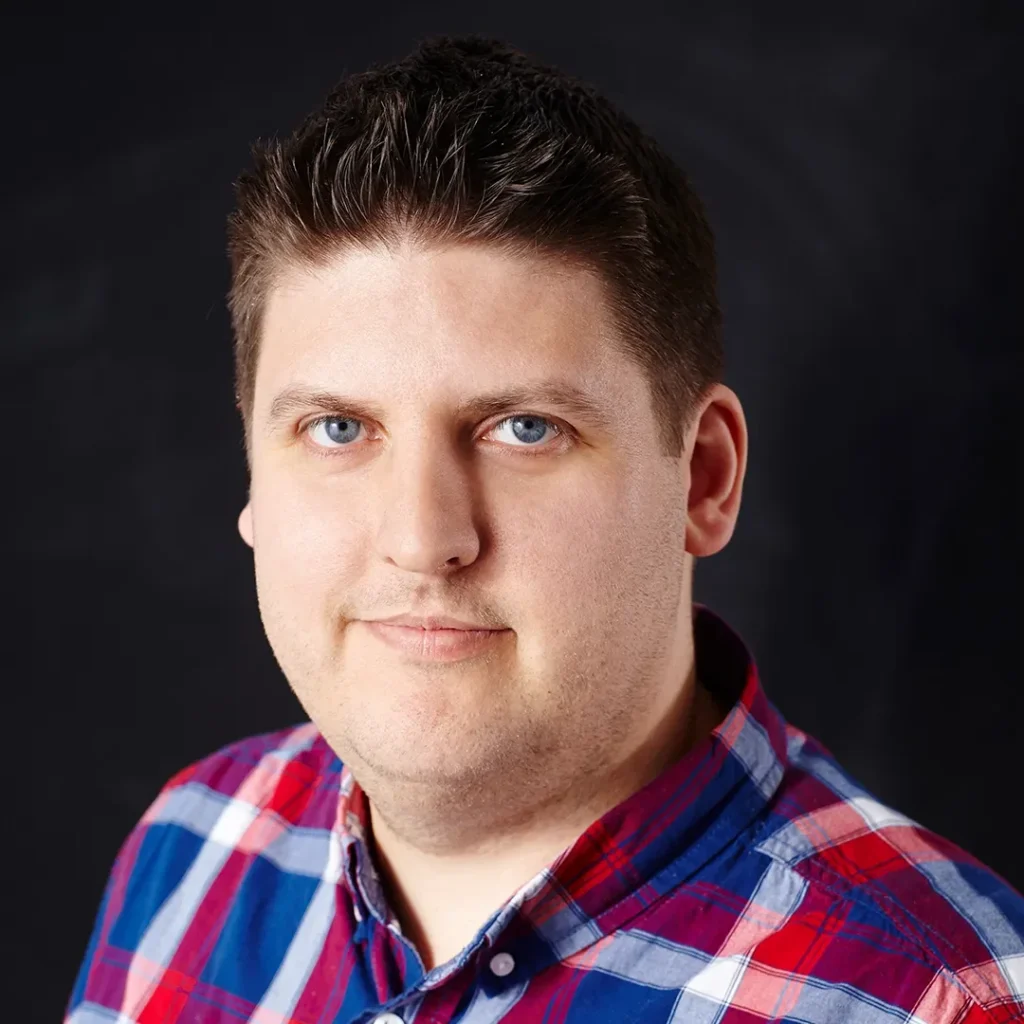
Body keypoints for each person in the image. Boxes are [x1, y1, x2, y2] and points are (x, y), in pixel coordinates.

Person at [65, 33, 1024, 1024]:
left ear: (703, 477)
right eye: (338, 427)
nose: (423, 536)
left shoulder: (934, 1001)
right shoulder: (193, 853)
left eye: (524, 429)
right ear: (255, 475)